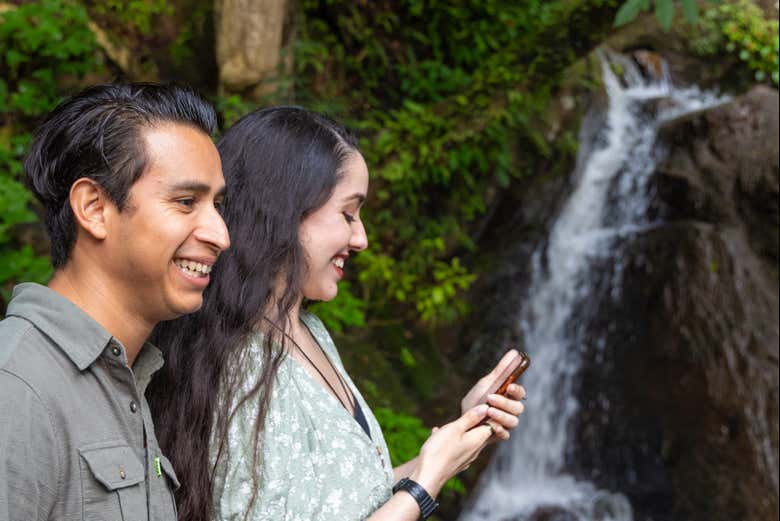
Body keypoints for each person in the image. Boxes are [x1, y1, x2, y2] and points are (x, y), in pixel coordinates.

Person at [148, 107, 526, 521]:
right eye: (347, 214)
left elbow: (353, 500)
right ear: (284, 212)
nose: (361, 238)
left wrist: (461, 438)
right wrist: (425, 483)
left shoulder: (308, 331)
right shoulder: (243, 365)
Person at [0, 83, 230, 521]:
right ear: (94, 208)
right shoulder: (16, 388)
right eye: (186, 202)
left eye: (217, 204)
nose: (221, 235)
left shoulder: (127, 377)